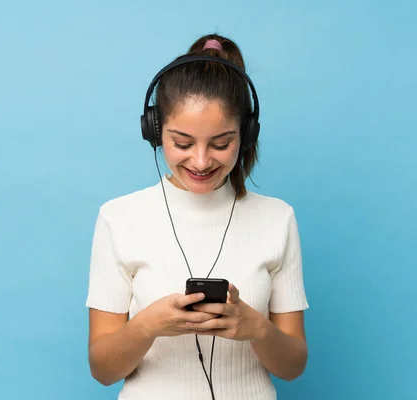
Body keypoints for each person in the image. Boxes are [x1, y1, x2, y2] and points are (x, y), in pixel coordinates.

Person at [85, 33, 309, 400]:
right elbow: (102, 371)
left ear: (247, 134)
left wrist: (256, 328)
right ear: (155, 132)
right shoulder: (118, 217)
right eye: (183, 143)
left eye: (221, 144)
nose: (202, 161)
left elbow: (293, 367)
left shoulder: (278, 218)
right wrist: (149, 325)